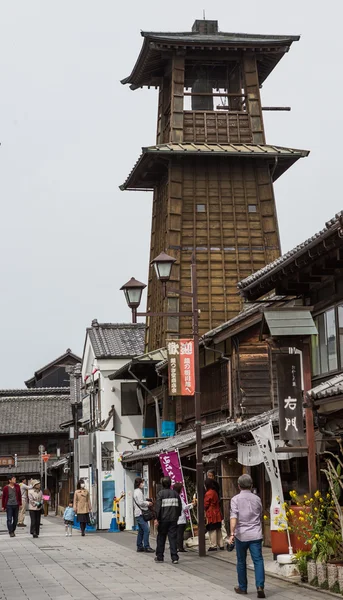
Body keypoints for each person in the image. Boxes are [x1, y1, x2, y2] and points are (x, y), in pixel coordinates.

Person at [228, 474, 265, 599]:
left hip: (241, 535)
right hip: (255, 533)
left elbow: (234, 517)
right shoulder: (257, 499)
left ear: (239, 486)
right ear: (251, 485)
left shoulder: (235, 499)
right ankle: (260, 586)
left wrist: (232, 534)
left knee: (241, 561)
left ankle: (242, 587)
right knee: (258, 560)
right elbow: (260, 514)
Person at [155, 476, 182, 564]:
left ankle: (160, 557)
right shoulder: (175, 494)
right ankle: (174, 557)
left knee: (161, 538)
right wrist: (177, 516)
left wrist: (156, 518)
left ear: (162, 484)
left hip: (163, 519)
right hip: (173, 519)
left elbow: (158, 508)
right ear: (170, 484)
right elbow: (179, 507)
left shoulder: (160, 494)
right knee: (172, 538)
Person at [173, 482, 196, 552]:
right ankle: (180, 547)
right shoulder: (178, 497)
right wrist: (192, 504)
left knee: (176, 533)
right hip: (180, 518)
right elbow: (184, 507)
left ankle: (175, 546)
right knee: (180, 533)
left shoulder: (172, 496)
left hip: (173, 517)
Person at [133, 477, 154, 553]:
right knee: (146, 530)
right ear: (139, 483)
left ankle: (139, 546)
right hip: (140, 513)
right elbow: (141, 502)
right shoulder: (138, 492)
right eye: (142, 482)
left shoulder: (136, 491)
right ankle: (146, 546)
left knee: (141, 531)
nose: (142, 484)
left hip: (138, 513)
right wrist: (148, 503)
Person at [204, 478, 224, 551]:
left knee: (212, 529)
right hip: (217, 512)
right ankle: (221, 544)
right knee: (218, 529)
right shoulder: (215, 492)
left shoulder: (208, 493)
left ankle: (213, 545)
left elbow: (206, 504)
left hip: (211, 513)